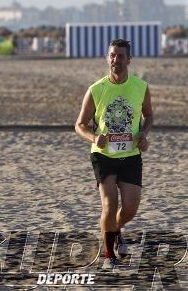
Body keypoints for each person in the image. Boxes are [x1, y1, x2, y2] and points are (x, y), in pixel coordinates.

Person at [74, 39, 153, 269]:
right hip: (104, 155)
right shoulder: (96, 89)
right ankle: (109, 255)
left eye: (119, 56)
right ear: (107, 58)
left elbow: (149, 116)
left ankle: (116, 229)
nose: (115, 60)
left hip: (130, 155)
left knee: (129, 208)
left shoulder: (141, 87)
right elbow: (79, 125)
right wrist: (93, 137)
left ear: (129, 60)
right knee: (109, 205)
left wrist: (144, 135)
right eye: (111, 55)